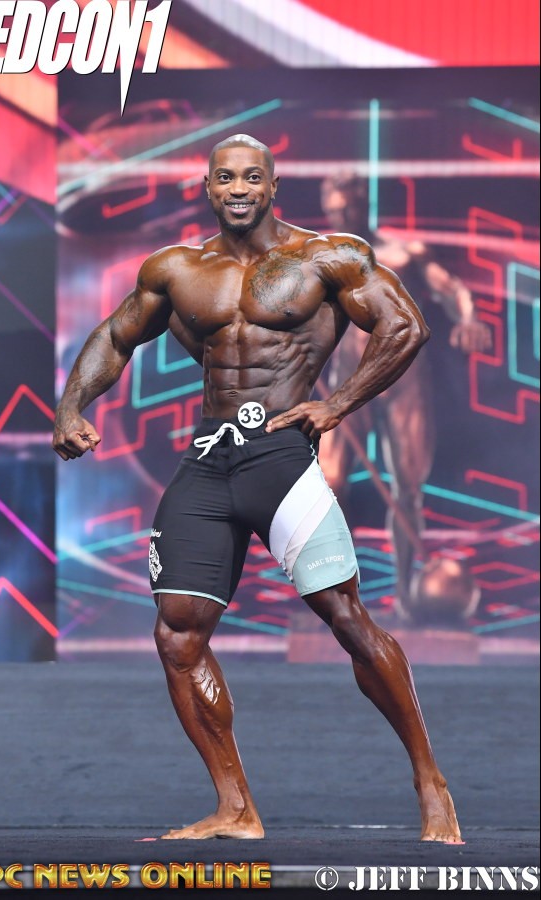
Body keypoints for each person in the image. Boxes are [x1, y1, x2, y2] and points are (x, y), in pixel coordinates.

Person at [53, 134, 462, 843]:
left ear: (273, 186)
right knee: (177, 632)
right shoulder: (177, 269)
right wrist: (70, 407)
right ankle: (235, 807)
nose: (237, 189)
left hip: (283, 460)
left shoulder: (328, 257)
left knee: (346, 618)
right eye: (225, 178)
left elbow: (406, 327)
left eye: (251, 178)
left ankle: (431, 782)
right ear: (208, 188)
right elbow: (116, 337)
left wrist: (339, 404)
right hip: (210, 460)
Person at [319, 172, 491, 618]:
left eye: (348, 208)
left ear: (364, 204)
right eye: (334, 211)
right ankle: (338, 596)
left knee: (408, 490)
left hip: (404, 376)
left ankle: (403, 597)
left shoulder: (403, 253)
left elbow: (452, 289)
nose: (342, 217)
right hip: (350, 379)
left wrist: (468, 317)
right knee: (330, 484)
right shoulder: (318, 260)